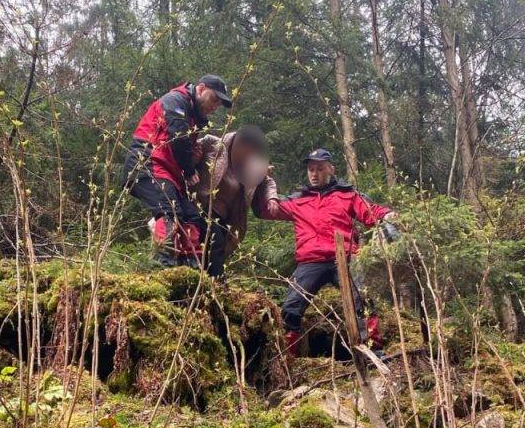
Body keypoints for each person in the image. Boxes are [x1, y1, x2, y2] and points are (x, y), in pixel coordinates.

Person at [257, 147, 398, 357]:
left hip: (345, 258)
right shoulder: (298, 199)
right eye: (311, 169)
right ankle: (286, 358)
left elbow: (371, 212)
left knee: (362, 300)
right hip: (310, 261)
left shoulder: (346, 194)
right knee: (291, 306)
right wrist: (262, 183)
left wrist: (387, 215)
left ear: (331, 169)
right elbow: (266, 210)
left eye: (320, 168)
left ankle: (373, 352)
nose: (314, 174)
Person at [121, 75, 232, 268]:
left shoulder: (193, 116)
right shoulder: (176, 100)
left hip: (167, 172)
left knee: (192, 216)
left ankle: (189, 267)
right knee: (169, 211)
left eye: (219, 104)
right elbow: (179, 138)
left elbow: (180, 144)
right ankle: (164, 265)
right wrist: (189, 170)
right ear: (201, 89)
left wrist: (193, 156)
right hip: (146, 161)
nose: (215, 107)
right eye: (214, 99)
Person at [193, 125, 272, 277]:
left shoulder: (251, 167)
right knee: (215, 243)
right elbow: (189, 149)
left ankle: (206, 282)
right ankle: (216, 282)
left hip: (226, 218)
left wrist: (271, 198)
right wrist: (193, 158)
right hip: (202, 207)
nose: (247, 155)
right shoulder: (213, 145)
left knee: (219, 249)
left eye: (252, 153)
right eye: (246, 150)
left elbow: (268, 182)